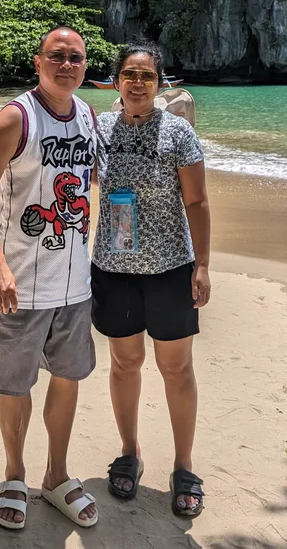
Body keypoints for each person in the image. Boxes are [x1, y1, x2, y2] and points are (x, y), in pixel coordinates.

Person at [0, 26, 99, 532]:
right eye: (57, 56)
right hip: (20, 285)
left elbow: (100, 179)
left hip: (74, 286)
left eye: (76, 57)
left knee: (67, 379)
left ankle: (57, 475)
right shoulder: (17, 117)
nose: (67, 65)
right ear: (38, 62)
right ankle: (15, 475)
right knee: (15, 383)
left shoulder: (87, 116)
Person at [91, 42, 211, 518]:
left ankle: (184, 466)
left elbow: (197, 202)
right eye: (128, 74)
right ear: (116, 82)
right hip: (114, 268)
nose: (137, 82)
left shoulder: (178, 132)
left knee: (176, 368)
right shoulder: (99, 128)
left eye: (146, 75)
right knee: (125, 363)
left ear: (160, 84)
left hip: (170, 267)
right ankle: (130, 452)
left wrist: (202, 265)